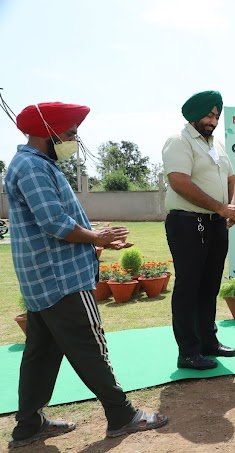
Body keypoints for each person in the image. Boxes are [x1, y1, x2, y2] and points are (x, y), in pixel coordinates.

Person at [5, 102, 168, 448]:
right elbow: (53, 222)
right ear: (47, 133)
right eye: (69, 134)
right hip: (62, 281)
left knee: (41, 354)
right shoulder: (33, 167)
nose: (73, 141)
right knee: (91, 347)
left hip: (44, 281)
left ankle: (28, 425)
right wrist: (96, 237)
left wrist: (99, 241)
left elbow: (51, 223)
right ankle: (121, 414)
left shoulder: (32, 164)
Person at [162, 90, 235, 371]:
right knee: (188, 287)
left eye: (217, 116)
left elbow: (233, 179)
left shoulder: (216, 145)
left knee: (210, 286)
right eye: (209, 115)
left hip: (215, 224)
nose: (213, 120)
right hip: (187, 223)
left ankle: (208, 342)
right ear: (194, 115)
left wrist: (230, 206)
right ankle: (187, 351)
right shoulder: (179, 142)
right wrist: (220, 208)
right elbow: (179, 182)